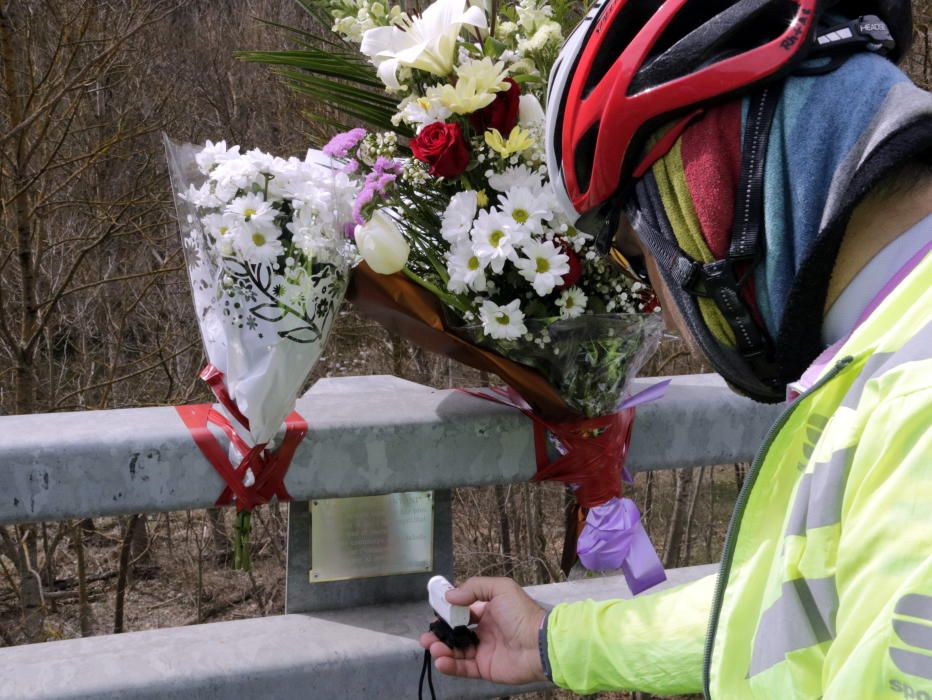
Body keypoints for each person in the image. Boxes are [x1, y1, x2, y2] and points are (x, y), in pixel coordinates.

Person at [421, 2, 932, 697]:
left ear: (704, 181)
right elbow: (787, 609)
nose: (662, 305)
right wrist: (551, 641)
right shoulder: (887, 352)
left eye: (637, 251)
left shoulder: (915, 403)